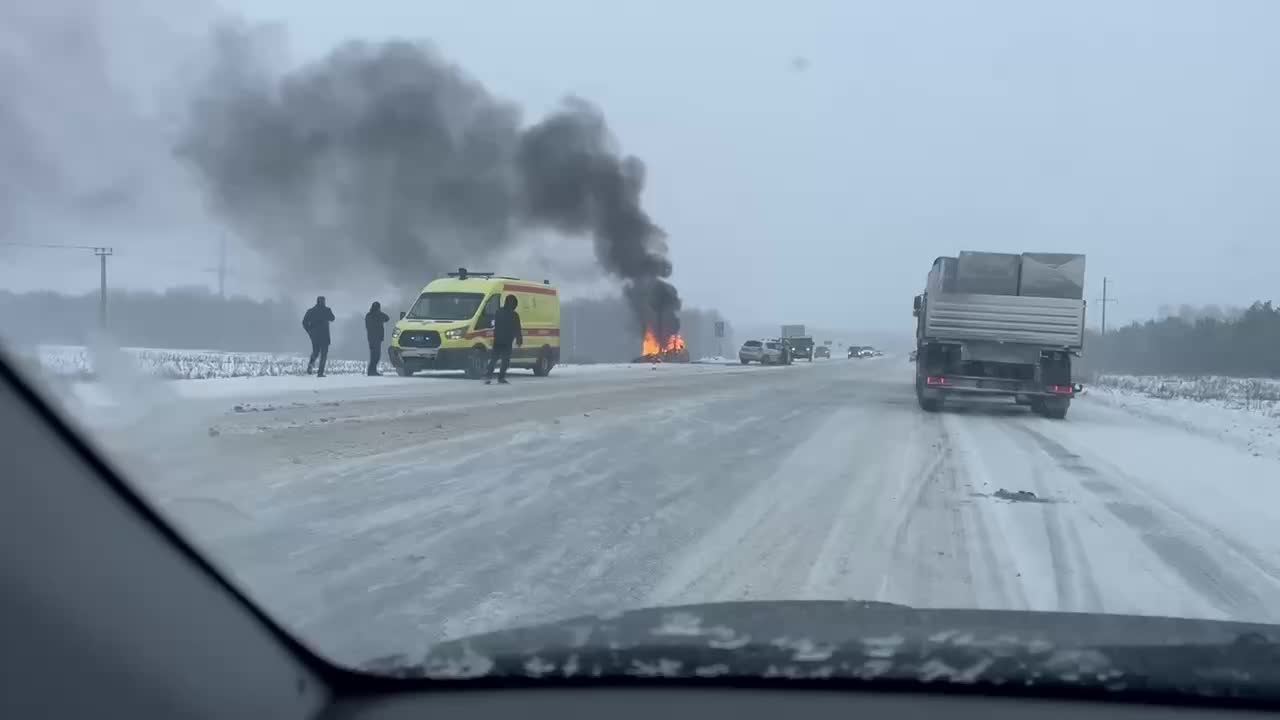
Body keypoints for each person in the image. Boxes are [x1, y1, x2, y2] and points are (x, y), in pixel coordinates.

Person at [485, 294, 522, 384]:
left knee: (494, 359)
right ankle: (501, 377)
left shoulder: (499, 312)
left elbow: (496, 325)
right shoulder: (514, 315)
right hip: (507, 341)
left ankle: (488, 376)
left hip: (498, 340)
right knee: (505, 360)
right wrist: (519, 339)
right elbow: (517, 328)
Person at [302, 296, 335, 377]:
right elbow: (332, 318)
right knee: (323, 354)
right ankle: (320, 373)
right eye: (323, 301)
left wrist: (310, 331)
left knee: (316, 352)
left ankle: (311, 365)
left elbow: (304, 322)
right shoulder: (326, 310)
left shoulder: (311, 311)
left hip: (315, 336)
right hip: (324, 336)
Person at [364, 301, 390, 376]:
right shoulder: (377, 315)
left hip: (373, 338)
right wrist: (379, 313)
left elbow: (387, 318)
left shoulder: (368, 315)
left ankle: (372, 370)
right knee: (375, 356)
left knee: (374, 355)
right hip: (375, 338)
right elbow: (386, 318)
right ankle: (371, 371)